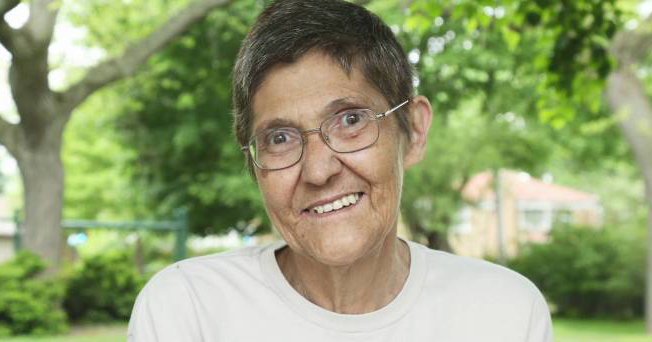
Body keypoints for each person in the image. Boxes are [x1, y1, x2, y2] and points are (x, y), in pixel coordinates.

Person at [127, 0, 553, 341]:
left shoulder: (503, 313)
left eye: (350, 121)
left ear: (415, 131)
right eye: (280, 138)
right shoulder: (188, 309)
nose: (317, 170)